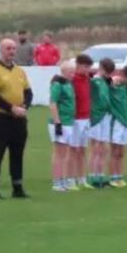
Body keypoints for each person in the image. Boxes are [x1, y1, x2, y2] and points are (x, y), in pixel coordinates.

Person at [0, 38, 32, 199]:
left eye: (13, 49)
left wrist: (24, 107)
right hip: (0, 118)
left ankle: (17, 187)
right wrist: (12, 108)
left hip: (19, 119)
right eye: (8, 48)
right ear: (1, 50)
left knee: (17, 153)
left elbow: (28, 92)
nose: (12, 51)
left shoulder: (20, 71)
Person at [48, 62, 76, 192]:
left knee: (65, 153)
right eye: (71, 72)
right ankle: (57, 182)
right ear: (64, 72)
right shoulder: (57, 85)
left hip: (69, 122)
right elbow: (53, 103)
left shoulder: (68, 84)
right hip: (61, 122)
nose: (73, 75)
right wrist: (57, 122)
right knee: (59, 153)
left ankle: (63, 180)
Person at [87, 58, 115, 188]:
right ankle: (93, 176)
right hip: (96, 116)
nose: (109, 74)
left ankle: (100, 175)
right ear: (101, 68)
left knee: (103, 148)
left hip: (105, 116)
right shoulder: (94, 81)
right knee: (95, 147)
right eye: (107, 71)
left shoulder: (104, 81)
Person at [70, 53, 93, 189]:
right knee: (74, 150)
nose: (87, 70)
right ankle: (72, 179)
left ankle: (82, 178)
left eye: (89, 67)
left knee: (83, 150)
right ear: (77, 65)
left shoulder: (87, 79)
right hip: (76, 119)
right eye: (85, 67)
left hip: (86, 118)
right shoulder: (72, 80)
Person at [108, 67, 127, 188]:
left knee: (121, 152)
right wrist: (114, 79)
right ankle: (113, 177)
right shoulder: (112, 86)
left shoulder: (124, 87)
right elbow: (106, 80)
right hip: (116, 121)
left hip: (124, 121)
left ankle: (119, 176)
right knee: (114, 151)